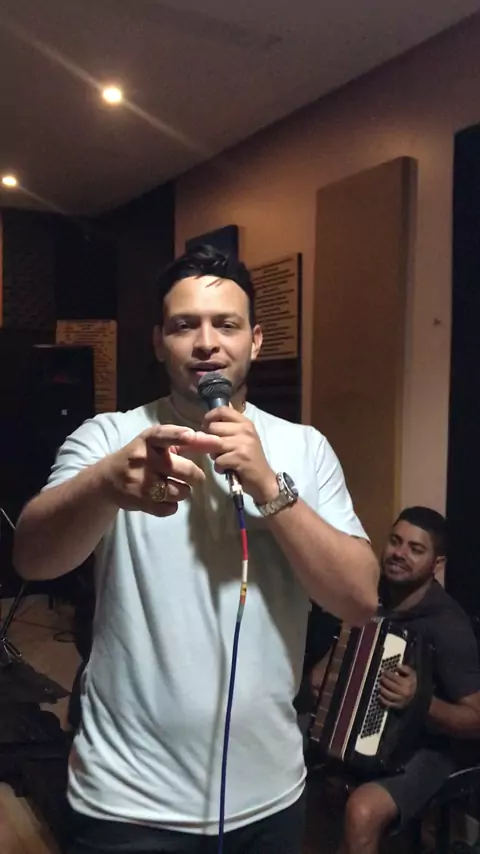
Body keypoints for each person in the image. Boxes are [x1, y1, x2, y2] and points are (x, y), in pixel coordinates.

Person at [13, 245, 378, 854]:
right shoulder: (109, 438)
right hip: (126, 801)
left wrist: (270, 488)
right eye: (186, 325)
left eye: (226, 324)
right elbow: (31, 558)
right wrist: (105, 486)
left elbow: (360, 599)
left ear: (254, 340)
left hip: (270, 795)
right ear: (160, 341)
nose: (207, 343)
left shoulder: (305, 448)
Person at [309, 506, 480, 854]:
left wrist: (421, 701)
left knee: (362, 812)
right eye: (395, 541)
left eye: (416, 549)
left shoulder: (448, 625)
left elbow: (476, 720)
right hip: (366, 737)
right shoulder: (370, 596)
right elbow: (324, 675)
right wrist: (326, 672)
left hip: (432, 748)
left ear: (437, 563)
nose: (400, 553)